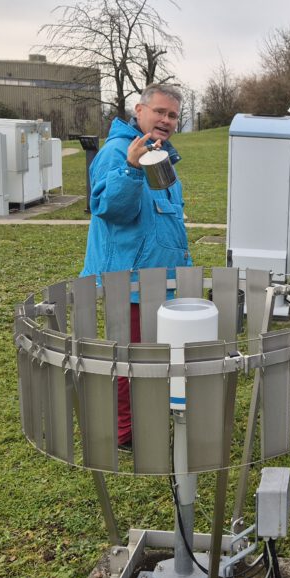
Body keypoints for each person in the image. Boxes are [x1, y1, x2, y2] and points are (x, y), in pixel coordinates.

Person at [81, 83, 192, 449]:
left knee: (152, 356)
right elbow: (111, 209)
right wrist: (131, 168)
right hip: (129, 281)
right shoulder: (118, 152)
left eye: (173, 115)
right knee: (130, 360)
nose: (166, 120)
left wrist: (183, 268)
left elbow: (171, 221)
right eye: (159, 111)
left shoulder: (161, 155)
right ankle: (125, 433)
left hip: (160, 279)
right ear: (139, 110)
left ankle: (148, 417)